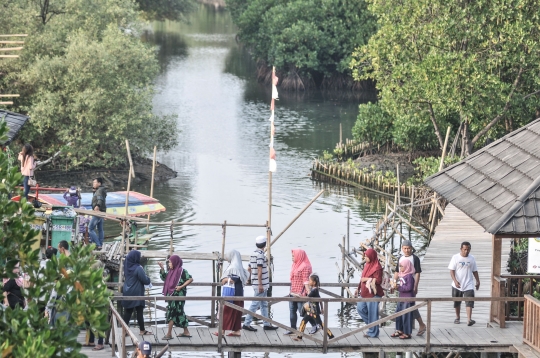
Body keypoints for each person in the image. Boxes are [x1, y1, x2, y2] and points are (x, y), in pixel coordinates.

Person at [242, 235, 278, 331]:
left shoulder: (253, 254)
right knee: (255, 304)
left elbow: (249, 268)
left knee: (264, 304)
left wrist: (249, 279)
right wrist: (260, 284)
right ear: (264, 244)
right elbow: (259, 270)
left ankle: (266, 323)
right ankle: (246, 323)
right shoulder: (261, 255)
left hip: (256, 282)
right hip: (261, 284)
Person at [213, 250, 249, 337]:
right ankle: (236, 331)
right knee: (236, 312)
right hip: (239, 292)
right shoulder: (240, 267)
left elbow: (233, 280)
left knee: (226, 311)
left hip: (232, 293)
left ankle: (222, 331)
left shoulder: (234, 267)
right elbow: (247, 276)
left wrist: (224, 280)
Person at [394, 240, 426, 335]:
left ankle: (413, 327)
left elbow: (417, 273)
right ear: (402, 248)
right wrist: (394, 283)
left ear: (411, 248)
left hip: (410, 285)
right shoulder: (400, 258)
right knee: (408, 306)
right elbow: (397, 271)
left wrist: (416, 286)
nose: (407, 250)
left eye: (408, 248)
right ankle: (416, 325)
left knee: (410, 306)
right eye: (405, 248)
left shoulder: (415, 258)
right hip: (402, 285)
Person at [159, 255, 193, 340]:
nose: (169, 264)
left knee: (172, 312)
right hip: (172, 295)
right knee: (179, 312)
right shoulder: (171, 271)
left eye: (170, 262)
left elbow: (190, 279)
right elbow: (164, 278)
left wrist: (181, 286)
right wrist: (162, 268)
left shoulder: (182, 271)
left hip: (179, 296)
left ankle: (169, 334)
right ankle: (186, 331)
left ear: (175, 262)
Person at [292, 274, 334, 341]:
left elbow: (308, 298)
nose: (308, 282)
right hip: (310, 310)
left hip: (314, 311)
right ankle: (299, 337)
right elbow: (320, 299)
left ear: (314, 282)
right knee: (304, 321)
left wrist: (299, 297)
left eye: (310, 280)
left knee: (320, 324)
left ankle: (331, 335)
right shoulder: (314, 290)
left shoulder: (314, 290)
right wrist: (322, 308)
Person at [448, 241, 480, 326]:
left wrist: (478, 281)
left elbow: (475, 270)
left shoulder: (472, 258)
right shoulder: (455, 257)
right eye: (465, 249)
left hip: (468, 283)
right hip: (457, 284)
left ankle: (469, 319)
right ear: (461, 249)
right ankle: (457, 317)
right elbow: (451, 270)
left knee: (469, 301)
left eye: (468, 249)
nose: (466, 251)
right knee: (457, 302)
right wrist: (455, 281)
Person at [122, 250, 153, 336]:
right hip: (136, 292)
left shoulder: (126, 266)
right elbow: (145, 281)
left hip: (127, 291)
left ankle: (124, 330)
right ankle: (142, 330)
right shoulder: (138, 268)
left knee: (128, 312)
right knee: (139, 311)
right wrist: (149, 279)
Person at [355, 248, 383, 338]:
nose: (365, 258)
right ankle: (373, 327)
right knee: (360, 308)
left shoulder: (377, 267)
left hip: (373, 294)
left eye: (367, 256)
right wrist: (358, 288)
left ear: (371, 256)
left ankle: (373, 332)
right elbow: (362, 278)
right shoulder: (367, 264)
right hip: (364, 293)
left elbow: (378, 280)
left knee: (372, 313)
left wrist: (366, 279)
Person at [285, 249, 313, 335]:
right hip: (293, 292)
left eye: (293, 256)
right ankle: (293, 329)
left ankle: (315, 324)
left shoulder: (305, 266)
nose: (292, 258)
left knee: (303, 312)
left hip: (301, 294)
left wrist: (308, 292)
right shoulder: (295, 265)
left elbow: (306, 281)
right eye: (292, 256)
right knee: (292, 310)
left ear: (299, 256)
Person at [391, 258, 415, 339]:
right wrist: (395, 286)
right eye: (399, 266)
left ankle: (407, 332)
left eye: (402, 266)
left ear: (407, 266)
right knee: (398, 313)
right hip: (401, 298)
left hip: (407, 299)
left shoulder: (409, 276)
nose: (400, 268)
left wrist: (398, 287)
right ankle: (399, 329)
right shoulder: (402, 274)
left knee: (406, 315)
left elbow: (409, 287)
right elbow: (401, 284)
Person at [89, 177, 107, 250]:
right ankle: (100, 243)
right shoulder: (101, 190)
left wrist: (97, 206)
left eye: (95, 182)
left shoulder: (99, 190)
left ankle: (98, 244)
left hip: (98, 212)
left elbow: (100, 199)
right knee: (100, 229)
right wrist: (94, 190)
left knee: (90, 229)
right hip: (102, 211)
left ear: (99, 183)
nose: (93, 184)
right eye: (93, 182)